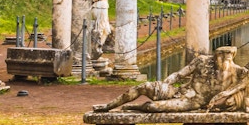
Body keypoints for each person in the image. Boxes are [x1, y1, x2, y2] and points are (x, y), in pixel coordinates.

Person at [92, 46, 240, 113]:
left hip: (192, 101)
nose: (224, 62)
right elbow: (179, 74)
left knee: (152, 107)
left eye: (228, 58)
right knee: (143, 87)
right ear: (216, 56)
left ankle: (134, 108)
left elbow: (247, 81)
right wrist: (166, 82)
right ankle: (108, 106)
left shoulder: (236, 71)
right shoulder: (202, 61)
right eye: (221, 57)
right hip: (180, 90)